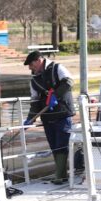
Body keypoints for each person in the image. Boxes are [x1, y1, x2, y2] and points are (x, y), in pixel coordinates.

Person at [23, 50, 75, 185]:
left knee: (61, 145)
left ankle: (60, 176)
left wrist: (55, 96)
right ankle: (61, 174)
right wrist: (30, 118)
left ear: (38, 61)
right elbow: (34, 102)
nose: (30, 68)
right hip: (47, 118)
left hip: (62, 114)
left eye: (31, 64)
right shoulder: (34, 81)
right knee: (54, 146)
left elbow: (68, 82)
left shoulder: (58, 68)